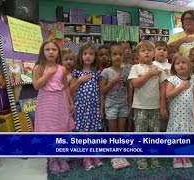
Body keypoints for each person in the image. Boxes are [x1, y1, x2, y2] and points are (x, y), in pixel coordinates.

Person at [32, 40, 74, 174]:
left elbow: (66, 87)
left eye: (54, 50)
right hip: (45, 103)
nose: (51, 52)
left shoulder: (62, 68)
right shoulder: (39, 67)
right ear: (42, 52)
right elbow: (37, 86)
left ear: (58, 53)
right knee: (48, 131)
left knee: (61, 129)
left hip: (60, 102)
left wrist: (70, 102)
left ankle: (61, 157)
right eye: (47, 49)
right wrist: (48, 73)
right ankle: (52, 159)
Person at [128, 40, 168, 169]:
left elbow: (163, 89)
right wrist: (149, 74)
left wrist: (162, 107)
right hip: (140, 107)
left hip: (155, 107)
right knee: (141, 133)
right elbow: (135, 84)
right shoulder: (136, 68)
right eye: (143, 50)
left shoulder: (159, 69)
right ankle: (142, 157)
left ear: (153, 54)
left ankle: (154, 156)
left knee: (154, 133)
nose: (146, 52)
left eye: (149, 50)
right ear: (138, 55)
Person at [70, 42, 104, 171]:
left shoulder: (97, 73)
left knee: (93, 133)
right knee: (83, 134)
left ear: (95, 56)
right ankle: (86, 158)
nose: (88, 56)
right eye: (85, 54)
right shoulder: (76, 72)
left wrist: (101, 108)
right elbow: (71, 91)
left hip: (94, 108)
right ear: (80, 56)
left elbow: (101, 92)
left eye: (91, 54)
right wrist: (79, 81)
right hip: (81, 109)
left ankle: (94, 155)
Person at [166, 53, 194, 168]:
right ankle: (177, 156)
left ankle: (186, 154)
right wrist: (180, 87)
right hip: (176, 114)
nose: (181, 65)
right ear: (174, 66)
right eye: (177, 63)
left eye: (183, 63)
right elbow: (168, 95)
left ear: (189, 65)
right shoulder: (172, 79)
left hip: (189, 115)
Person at [100, 43, 130, 169]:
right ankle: (114, 155)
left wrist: (129, 104)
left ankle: (120, 152)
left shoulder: (126, 71)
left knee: (121, 130)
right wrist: (113, 82)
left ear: (123, 56)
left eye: (120, 54)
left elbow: (128, 89)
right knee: (113, 131)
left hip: (123, 104)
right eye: (114, 54)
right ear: (110, 57)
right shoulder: (106, 71)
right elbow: (102, 90)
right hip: (111, 105)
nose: (118, 57)